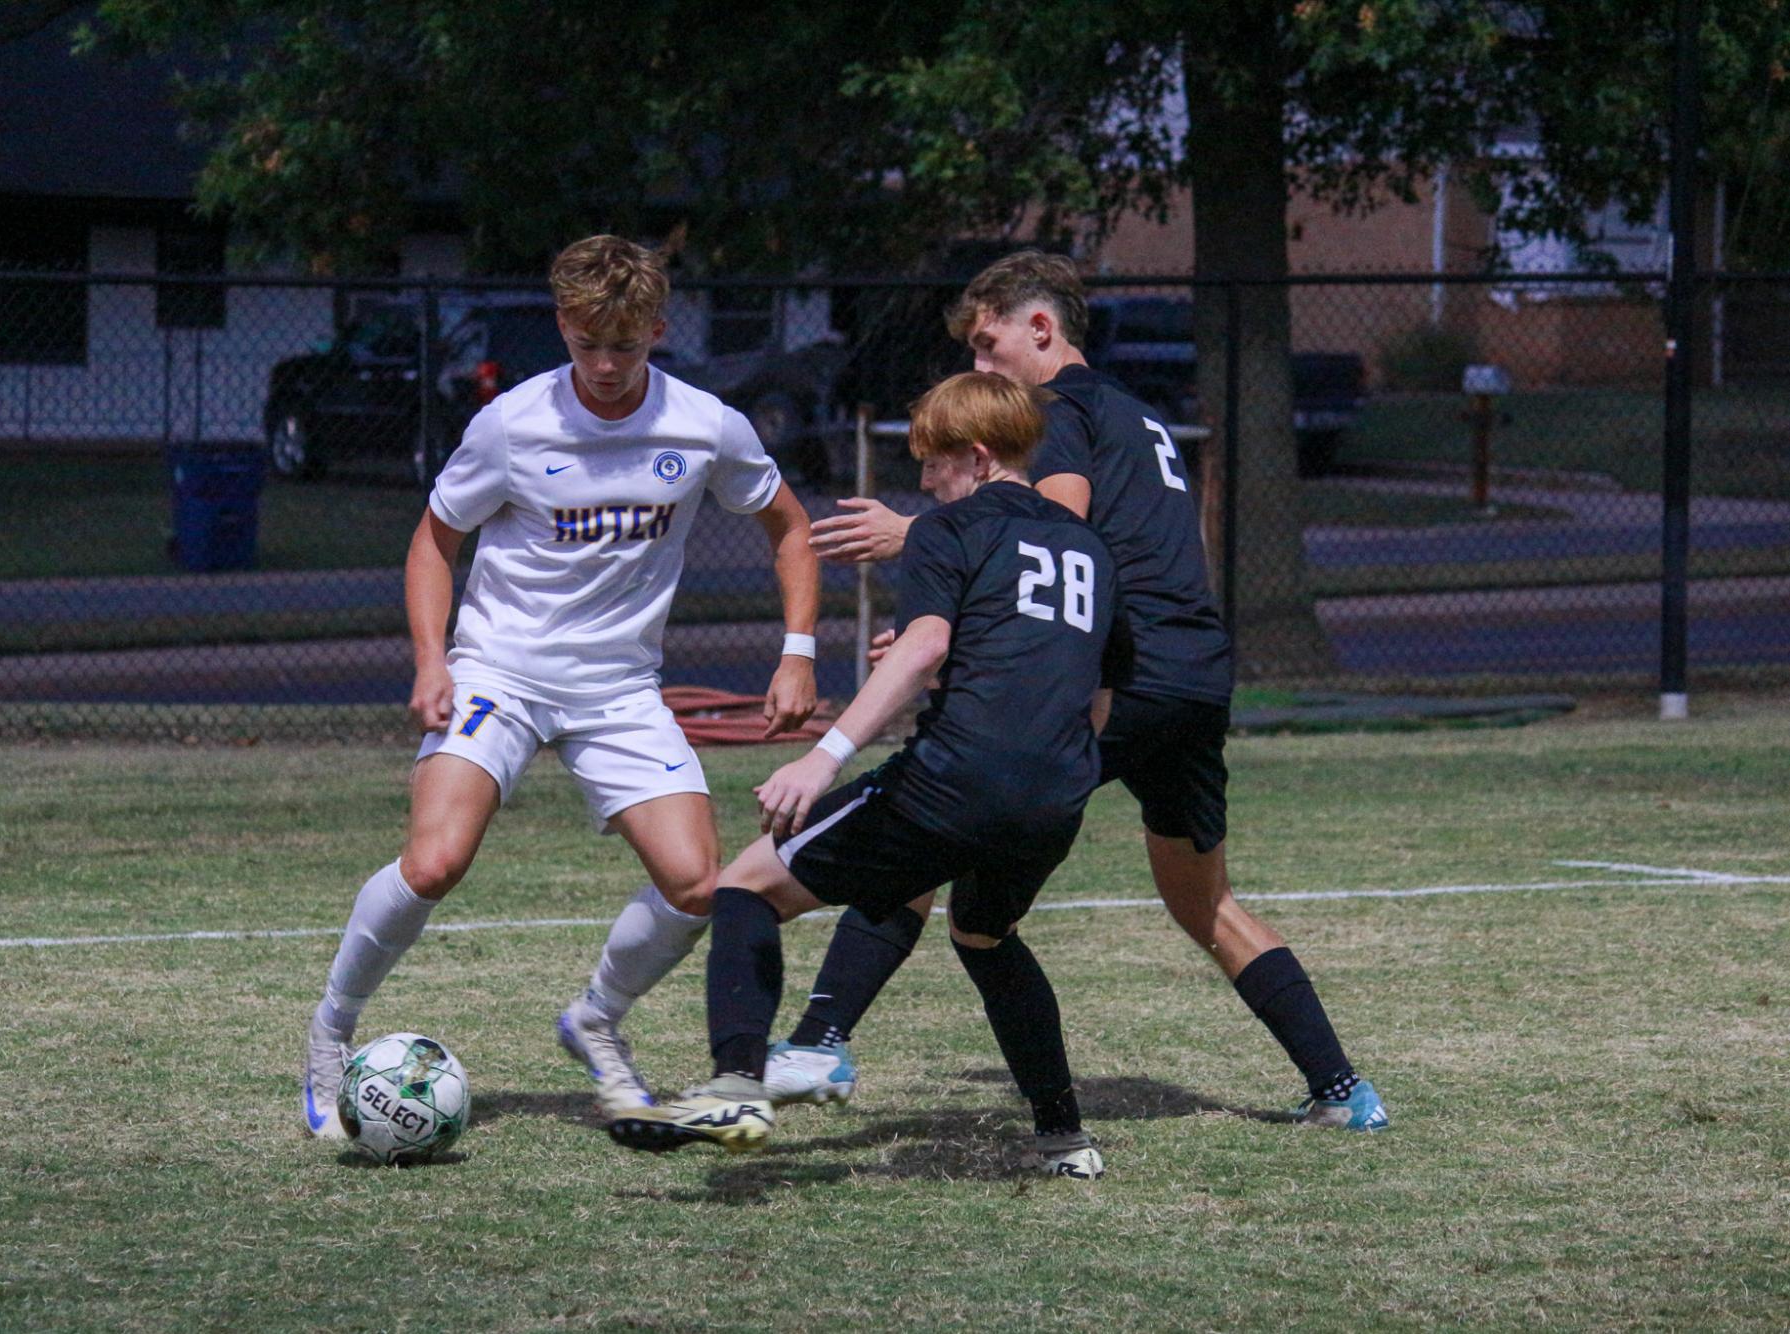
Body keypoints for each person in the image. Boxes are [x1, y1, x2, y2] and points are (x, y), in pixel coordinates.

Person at [777, 250, 1387, 1131]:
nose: (980, 371)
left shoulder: (1052, 411)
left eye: (988, 347)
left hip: (1122, 677)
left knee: (934, 811)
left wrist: (919, 532)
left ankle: (819, 1038)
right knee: (1201, 900)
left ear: (1040, 328)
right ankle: (1342, 1092)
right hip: (1194, 675)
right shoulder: (1141, 413)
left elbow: (1048, 532)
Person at [301, 234, 819, 1138]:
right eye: (587, 345)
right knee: (434, 862)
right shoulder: (511, 422)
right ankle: (329, 1036)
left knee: (698, 885)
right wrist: (433, 660)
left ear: (657, 330)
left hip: (619, 687)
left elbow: (787, 525)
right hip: (499, 670)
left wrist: (799, 649)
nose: (608, 366)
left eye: (626, 345)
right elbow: (435, 539)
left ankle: (594, 1017)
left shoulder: (704, 425)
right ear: (561, 329)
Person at [606, 371, 1117, 1179]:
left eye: (932, 463)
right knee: (985, 935)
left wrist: (823, 754)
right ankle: (1063, 1137)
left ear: (978, 458)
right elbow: (1090, 684)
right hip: (1056, 793)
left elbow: (923, 649)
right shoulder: (1088, 546)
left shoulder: (950, 530)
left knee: (742, 887)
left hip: (956, 778)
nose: (922, 483)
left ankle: (737, 1086)